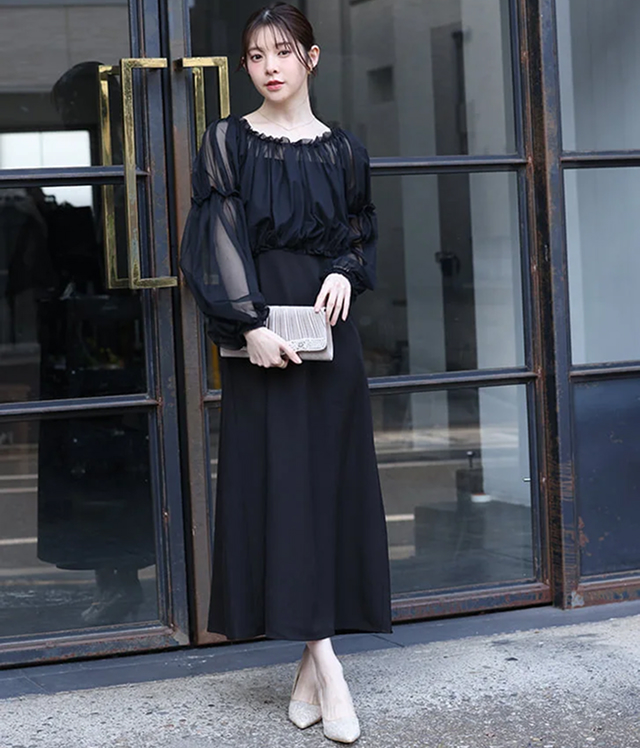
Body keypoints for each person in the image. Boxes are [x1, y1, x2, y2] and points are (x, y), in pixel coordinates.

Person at [179, 3, 392, 743]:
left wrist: (342, 271)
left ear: (312, 57)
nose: (269, 67)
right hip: (263, 339)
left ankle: (309, 669)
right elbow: (212, 239)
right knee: (280, 492)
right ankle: (331, 669)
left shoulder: (346, 150)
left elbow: (361, 233)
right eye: (255, 55)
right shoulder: (227, 141)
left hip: (332, 342)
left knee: (328, 492)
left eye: (282, 51)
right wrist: (249, 326)